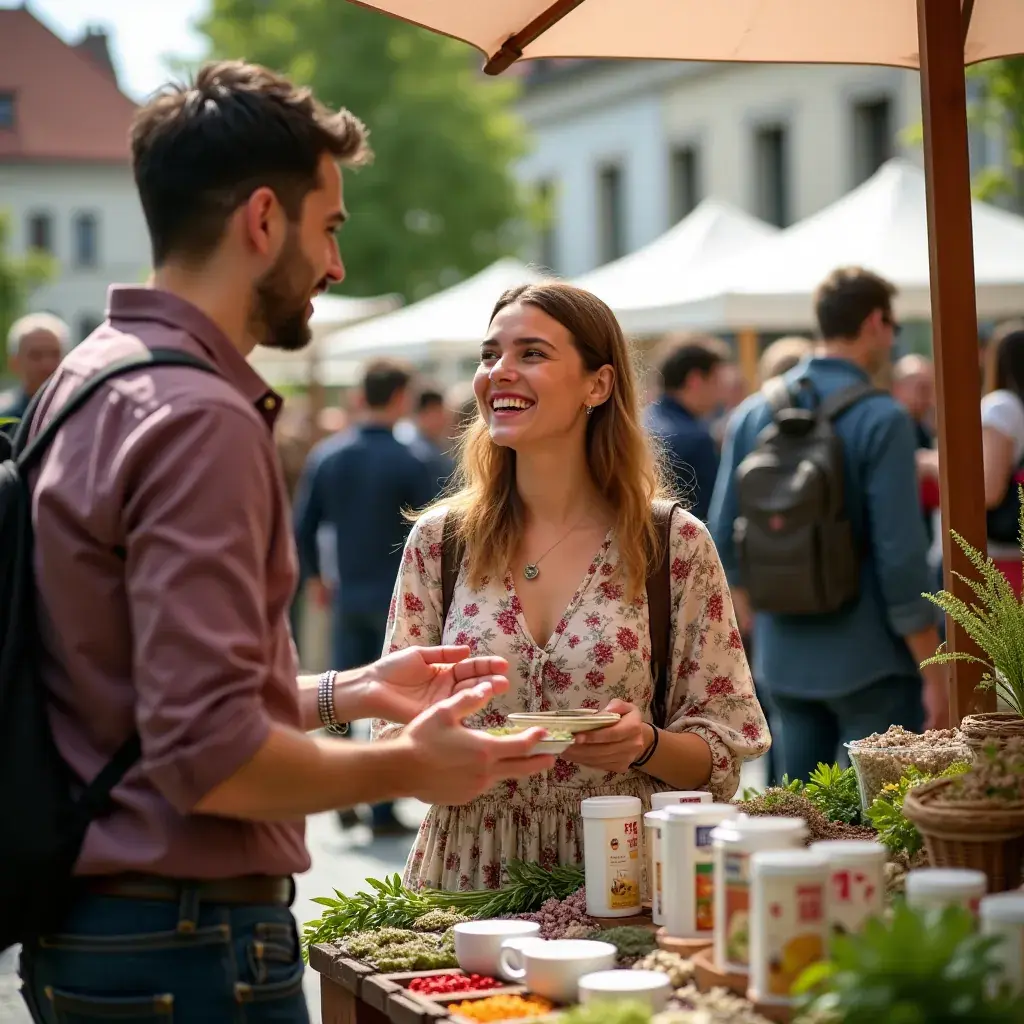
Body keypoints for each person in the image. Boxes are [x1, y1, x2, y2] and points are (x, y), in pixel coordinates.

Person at [17, 61, 554, 1023]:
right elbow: (212, 757)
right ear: (264, 220)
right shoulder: (198, 417)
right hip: (187, 945)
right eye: (330, 227)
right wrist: (408, 763)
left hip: (98, 932)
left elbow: (136, 696)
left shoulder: (86, 381)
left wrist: (347, 694)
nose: (337, 266)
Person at [373, 281, 770, 892]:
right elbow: (395, 743)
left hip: (619, 878)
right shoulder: (441, 541)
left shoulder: (670, 543)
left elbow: (723, 747)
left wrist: (643, 745)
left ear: (598, 384)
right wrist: (448, 755)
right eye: (490, 355)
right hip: (464, 883)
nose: (499, 372)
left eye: (531, 354)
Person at [709, 267, 946, 783]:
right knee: (880, 826)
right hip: (873, 657)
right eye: (892, 325)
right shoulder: (883, 418)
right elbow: (900, 556)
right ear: (874, 323)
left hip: (782, 656)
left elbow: (721, 533)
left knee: (796, 816)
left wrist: (756, 624)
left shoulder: (754, 413)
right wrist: (933, 666)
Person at [293, 358, 437, 837]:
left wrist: (316, 575)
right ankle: (378, 808)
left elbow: (304, 524)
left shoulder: (328, 455)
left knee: (339, 692)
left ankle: (339, 787)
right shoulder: (412, 460)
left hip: (343, 588)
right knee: (385, 697)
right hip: (397, 593)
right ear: (399, 398)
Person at [644, 334, 730, 520]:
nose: (720, 392)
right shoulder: (696, 440)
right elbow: (711, 515)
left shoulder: (638, 422)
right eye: (715, 380)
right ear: (695, 380)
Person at [0, 313, 69, 435]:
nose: (47, 365)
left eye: (55, 354)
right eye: (36, 355)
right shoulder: (5, 419)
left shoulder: (78, 413)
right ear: (14, 363)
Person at [402, 385, 456, 496]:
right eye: (437, 412)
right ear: (422, 414)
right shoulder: (418, 453)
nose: (444, 419)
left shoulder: (436, 447)